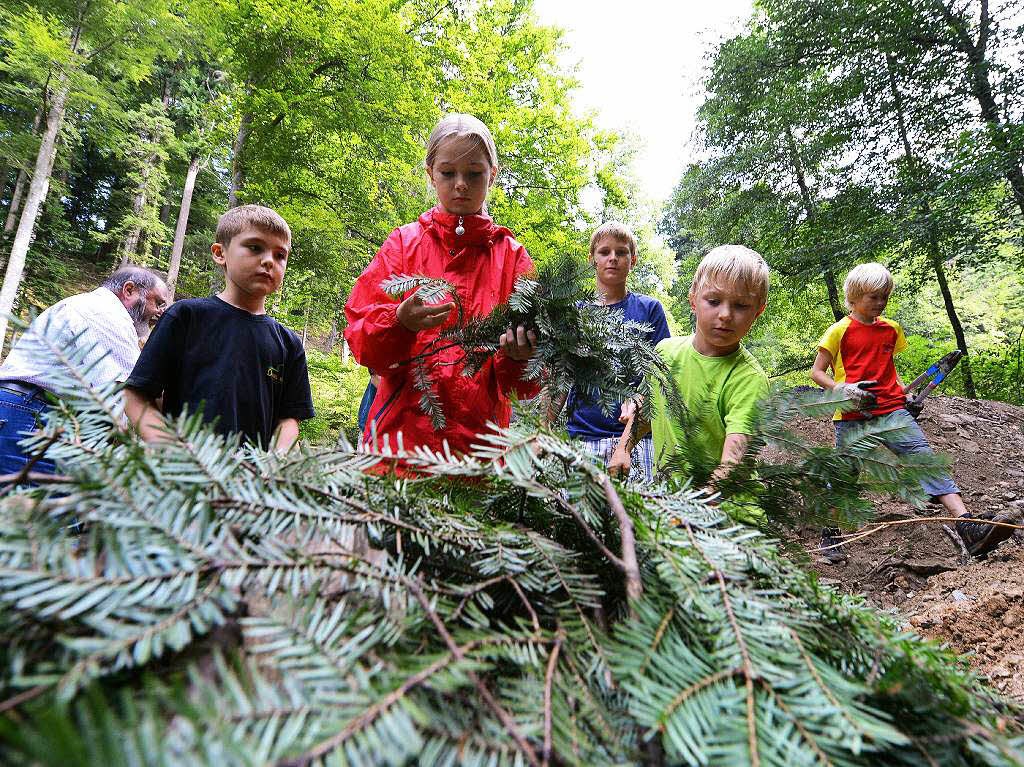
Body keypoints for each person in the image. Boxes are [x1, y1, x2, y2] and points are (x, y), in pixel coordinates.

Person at [344, 113, 538, 457]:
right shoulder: (402, 245)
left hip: (479, 453)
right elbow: (362, 343)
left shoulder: (512, 259)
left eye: (474, 173)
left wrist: (519, 357)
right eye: (448, 173)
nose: (460, 183)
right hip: (400, 446)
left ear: (492, 176)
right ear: (431, 174)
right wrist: (399, 322)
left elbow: (526, 383)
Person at [811, 262, 1015, 559]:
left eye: (884, 297)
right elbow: (817, 373)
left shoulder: (891, 329)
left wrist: (903, 393)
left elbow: (888, 368)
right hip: (853, 415)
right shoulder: (838, 331)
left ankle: (967, 527)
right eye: (873, 297)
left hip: (893, 411)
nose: (880, 303)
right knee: (844, 475)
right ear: (853, 298)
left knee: (926, 461)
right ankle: (830, 535)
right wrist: (841, 390)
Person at [124, 205, 314, 452]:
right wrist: (173, 451)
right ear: (219, 253)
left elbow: (289, 420)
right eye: (255, 247)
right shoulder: (185, 317)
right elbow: (135, 397)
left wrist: (274, 461)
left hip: (254, 484)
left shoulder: (289, 343)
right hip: (185, 479)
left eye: (280, 255)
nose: (269, 260)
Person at [611, 245, 769, 486]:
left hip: (724, 514)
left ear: (758, 311)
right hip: (670, 504)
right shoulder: (665, 352)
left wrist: (693, 508)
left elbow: (732, 466)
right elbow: (647, 409)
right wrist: (623, 448)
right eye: (714, 300)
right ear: (693, 299)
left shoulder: (749, 379)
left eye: (741, 305)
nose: (726, 314)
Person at [0, 266, 169, 475]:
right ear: (129, 290)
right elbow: (134, 389)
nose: (161, 312)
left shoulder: (82, 305)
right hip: (36, 414)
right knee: (37, 502)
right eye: (158, 302)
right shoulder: (107, 314)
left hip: (20, 408)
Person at [545, 221, 670, 481]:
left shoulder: (650, 311)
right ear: (592, 259)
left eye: (621, 252)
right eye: (604, 252)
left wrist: (626, 443)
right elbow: (560, 379)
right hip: (581, 441)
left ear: (632, 260)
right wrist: (541, 431)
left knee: (635, 521)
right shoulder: (574, 312)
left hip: (637, 442)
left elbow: (657, 380)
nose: (613, 258)